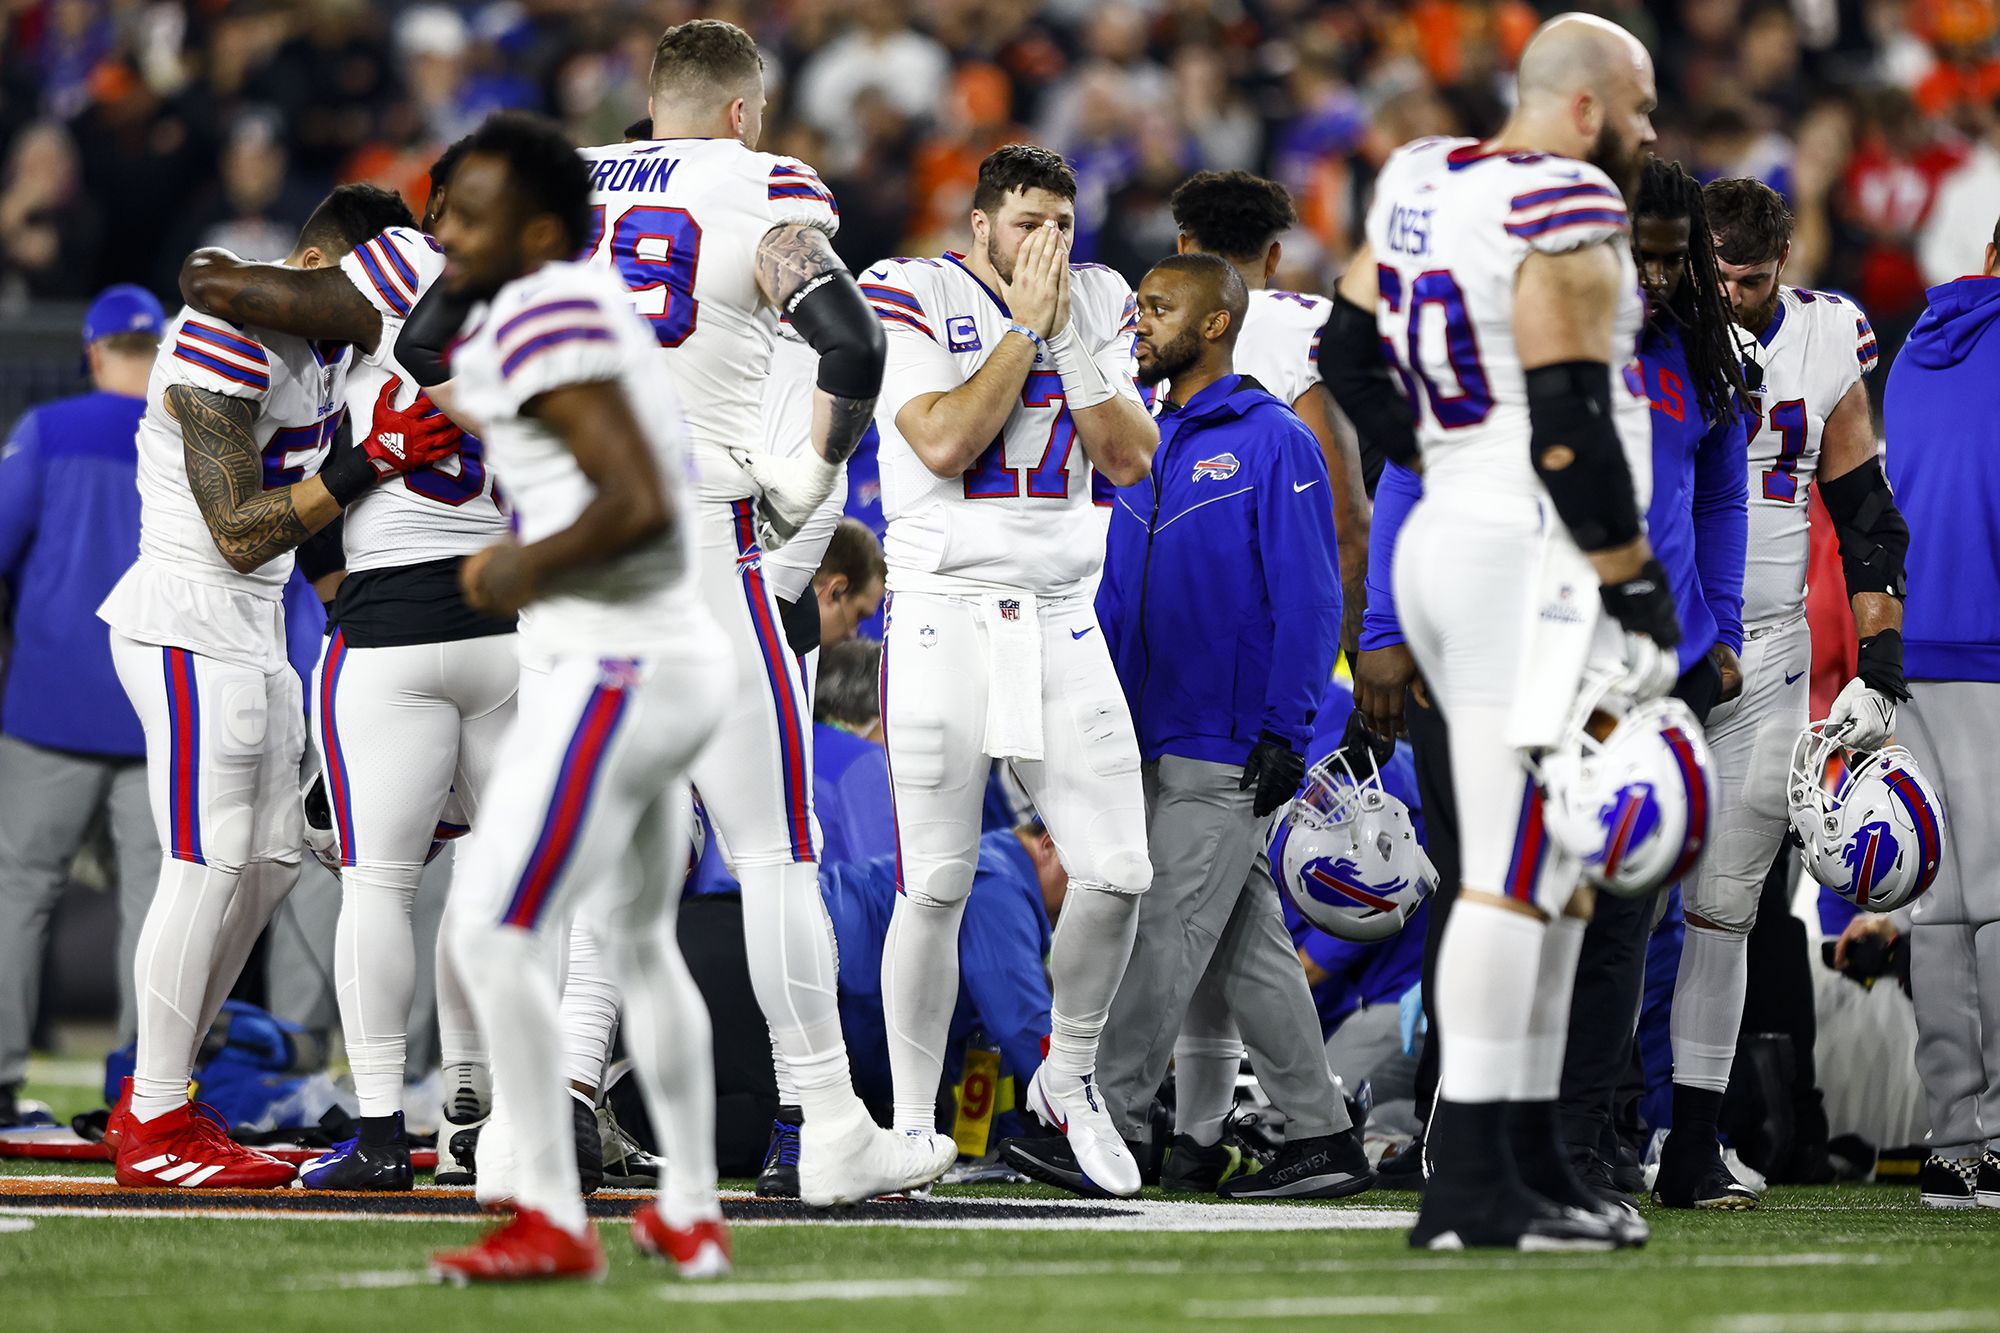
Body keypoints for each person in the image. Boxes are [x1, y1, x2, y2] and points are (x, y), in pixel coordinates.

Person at [574, 18, 955, 1203]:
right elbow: (846, 341)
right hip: (698, 539)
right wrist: (812, 466)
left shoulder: (568, 190)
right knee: (774, 847)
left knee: (594, 843)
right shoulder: (760, 187)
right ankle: (830, 1120)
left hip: (573, 548)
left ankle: (531, 1112)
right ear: (743, 111)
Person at [1324, 13, 1677, 1250]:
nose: (1645, 131)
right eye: (1636, 107)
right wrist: (1633, 580)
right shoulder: (1565, 205)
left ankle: (1523, 1159)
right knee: (1515, 873)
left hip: (1462, 535)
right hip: (1525, 553)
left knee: (1554, 876)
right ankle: (1470, 1176)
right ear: (1583, 109)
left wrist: (1443, 455)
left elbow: (1347, 342)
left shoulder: (1422, 174)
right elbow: (1571, 420)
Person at [96, 184, 456, 1191]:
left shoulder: (330, 348)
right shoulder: (227, 327)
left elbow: (307, 538)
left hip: (253, 625)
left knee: (265, 863)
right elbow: (241, 527)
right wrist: (366, 461)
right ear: (314, 271)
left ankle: (164, 1094)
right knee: (207, 863)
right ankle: (156, 1113)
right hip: (186, 613)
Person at [174, 136, 513, 1192]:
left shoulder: (394, 271)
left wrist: (252, 286)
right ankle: (510, 1109)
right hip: (516, 619)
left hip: (389, 624)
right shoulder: (550, 295)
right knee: (519, 878)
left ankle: (378, 1132)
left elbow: (216, 283)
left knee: (378, 884)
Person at [423, 112, 729, 1283]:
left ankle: (551, 1213)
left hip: (616, 661)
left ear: (541, 229)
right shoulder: (575, 305)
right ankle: (691, 1208)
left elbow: (638, 500)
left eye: (474, 209)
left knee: (493, 928)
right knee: (640, 944)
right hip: (669, 655)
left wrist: (519, 566)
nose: (447, 226)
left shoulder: (548, 307)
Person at [1018, 251, 1369, 1202]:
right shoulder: (1145, 435)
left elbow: (1308, 595)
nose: (1139, 322)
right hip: (1144, 733)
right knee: (1247, 947)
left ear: (1216, 324)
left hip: (1226, 739)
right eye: (1137, 306)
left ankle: (1112, 1122)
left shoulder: (1272, 439)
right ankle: (1324, 1135)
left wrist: (1286, 728)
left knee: (1162, 929)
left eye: (1159, 308)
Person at [865, 143, 1159, 1196]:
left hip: (1061, 615)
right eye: (1026, 222)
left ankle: (1066, 1078)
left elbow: (1130, 461)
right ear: (979, 223)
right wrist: (1026, 332)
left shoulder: (1101, 299)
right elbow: (941, 442)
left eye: (1062, 225)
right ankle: (906, 1126)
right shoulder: (909, 288)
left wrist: (1067, 340)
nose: (1048, 243)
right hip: (943, 608)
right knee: (936, 880)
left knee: (1119, 868)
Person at [1657, 176, 1907, 1210]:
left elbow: (1862, 509)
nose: (1735, 294)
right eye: (1717, 276)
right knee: (1608, 896)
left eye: (1752, 279)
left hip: (1768, 650)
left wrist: (1880, 662)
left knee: (1723, 907)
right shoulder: (1650, 330)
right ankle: (1560, 1124)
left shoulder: (1824, 333)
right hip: (1660, 645)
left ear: (1784, 264)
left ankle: (1689, 1142)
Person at [1556, 155, 1751, 1202]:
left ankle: (1587, 1139)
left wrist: (1713, 620)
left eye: (1674, 261)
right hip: (1544, 660)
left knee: (1626, 915)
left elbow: (1720, 494)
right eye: (1642, 255)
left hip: (1656, 669)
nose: (1658, 278)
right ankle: (1481, 1124)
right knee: (1525, 906)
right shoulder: (1522, 334)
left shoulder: (1695, 356)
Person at [0, 286, 164, 1126]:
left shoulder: (48, 430)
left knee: (19, 891)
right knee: (160, 903)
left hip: (50, 705)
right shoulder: (189, 432)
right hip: (158, 706)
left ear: (95, 350)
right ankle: (141, 1090)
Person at [1882, 226, 2000, 1208]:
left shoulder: (1918, 344)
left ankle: (1954, 1136)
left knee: (1940, 902)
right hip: (1992, 644)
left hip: (1913, 644)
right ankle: (1997, 1135)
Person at [1167, 169, 1371, 653]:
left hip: (1153, 602)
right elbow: (1342, 526)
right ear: (1274, 255)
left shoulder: (1133, 330)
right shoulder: (1310, 323)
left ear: (1182, 246)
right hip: (1274, 611)